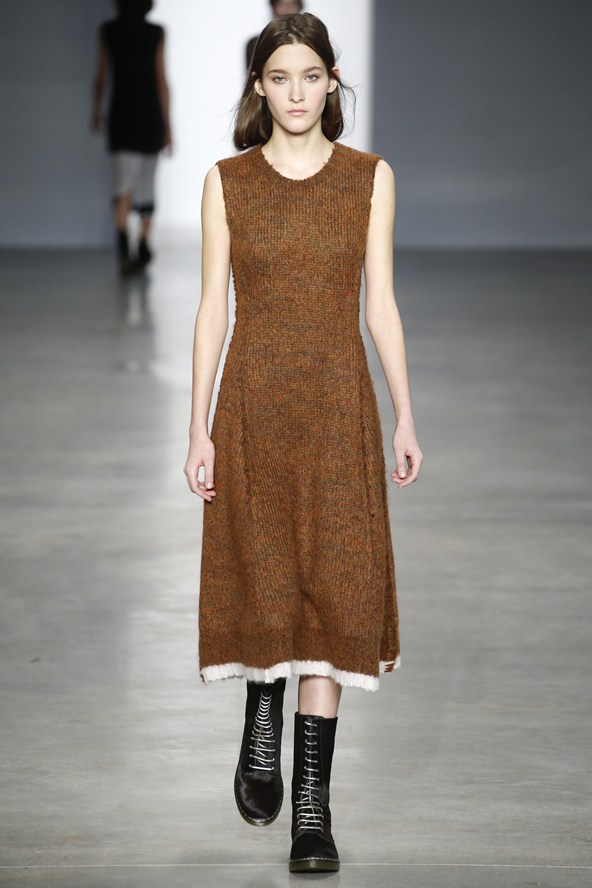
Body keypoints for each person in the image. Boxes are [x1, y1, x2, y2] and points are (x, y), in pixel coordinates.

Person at [184, 12, 423, 874]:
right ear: (259, 85)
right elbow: (212, 309)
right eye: (279, 77)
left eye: (310, 76)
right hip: (253, 407)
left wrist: (404, 413)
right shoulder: (226, 183)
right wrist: (197, 426)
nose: (295, 93)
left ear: (331, 82)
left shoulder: (369, 178)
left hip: (336, 410)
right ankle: (262, 710)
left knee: (338, 592)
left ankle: (312, 812)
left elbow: (380, 303)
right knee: (266, 576)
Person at [91, 0, 172, 276]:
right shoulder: (155, 33)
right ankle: (143, 243)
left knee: (123, 184)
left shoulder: (109, 31)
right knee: (147, 182)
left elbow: (102, 76)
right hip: (150, 115)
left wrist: (96, 111)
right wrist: (168, 127)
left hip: (122, 115)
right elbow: (161, 80)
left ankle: (125, 246)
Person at [245, 0, 305, 70]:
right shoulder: (256, 44)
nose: (287, 9)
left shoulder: (310, 41)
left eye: (292, 4)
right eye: (281, 4)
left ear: (300, 7)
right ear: (273, 7)